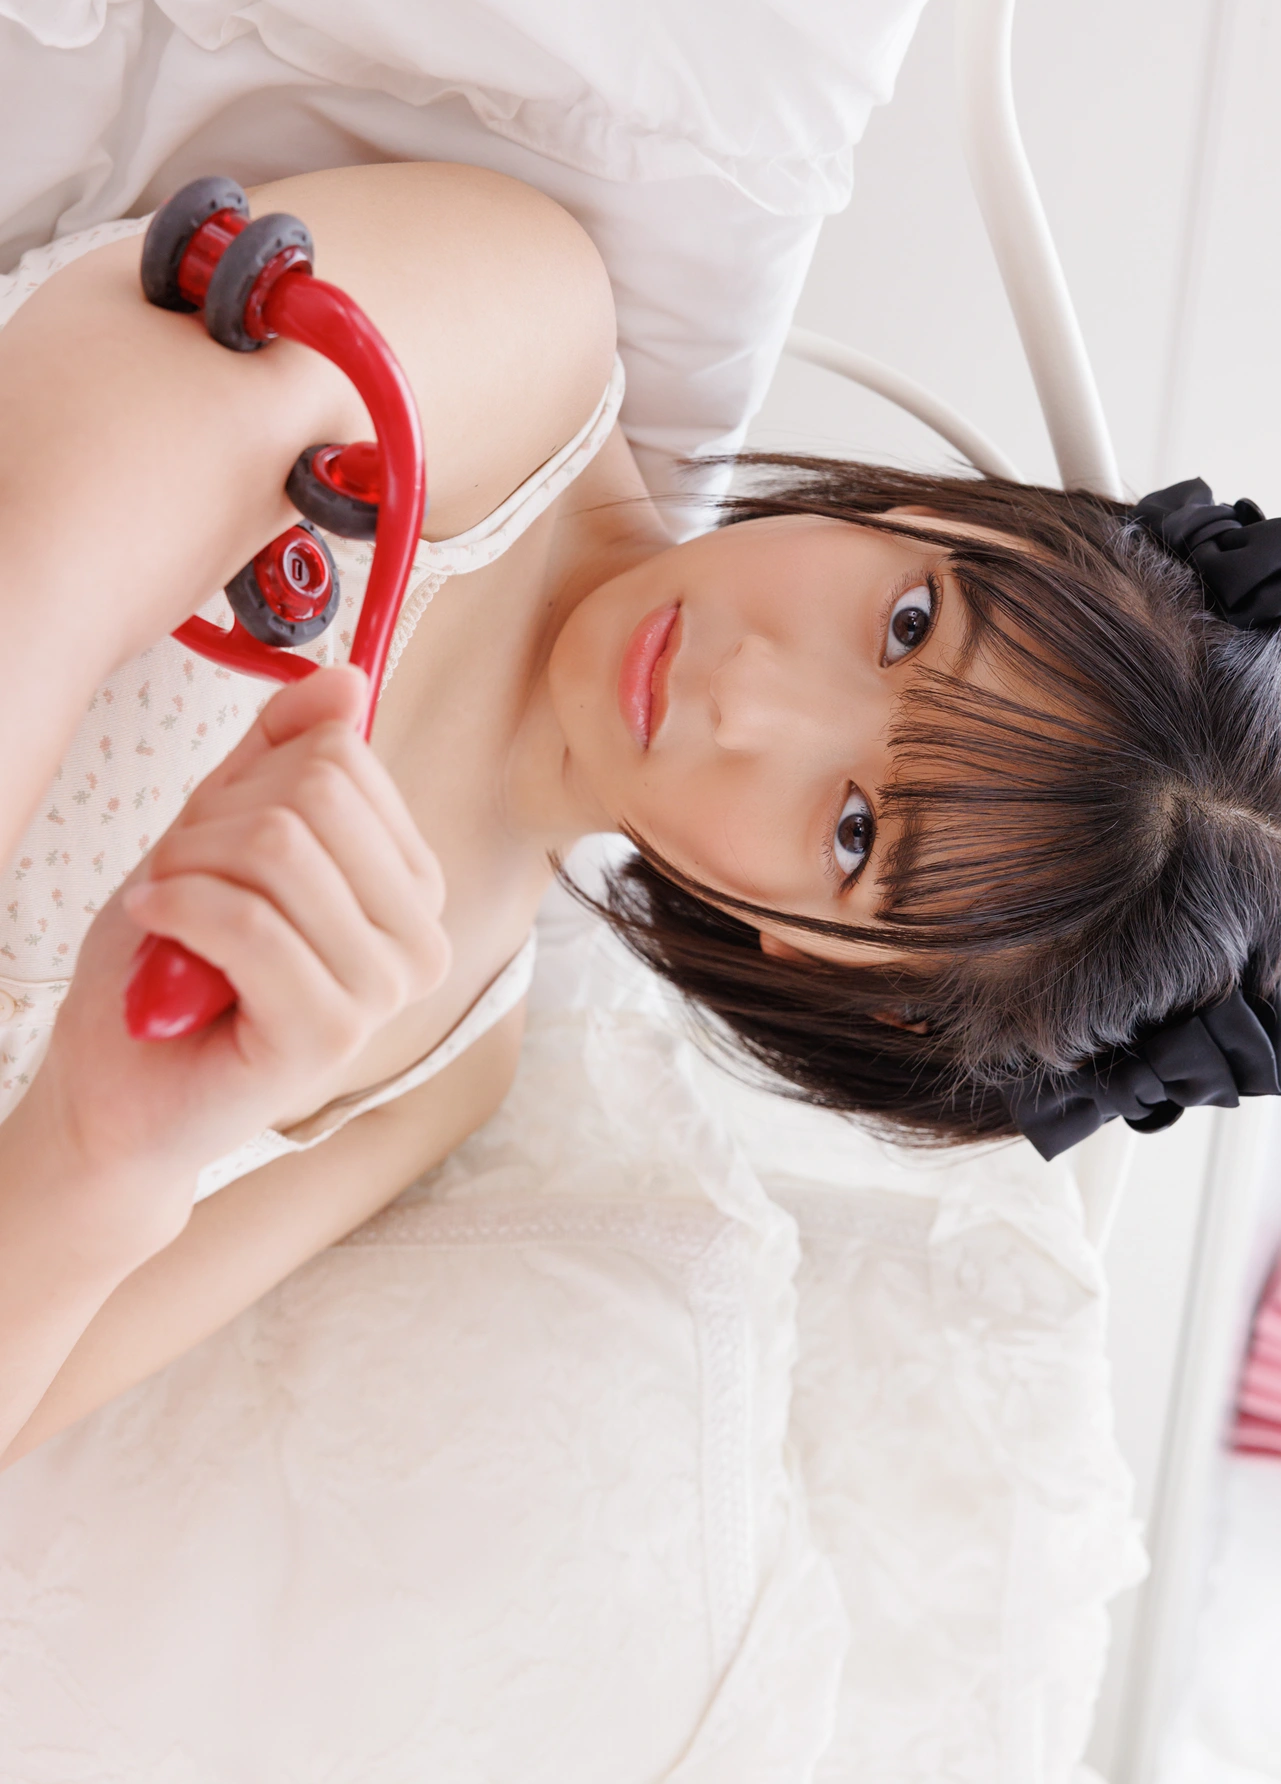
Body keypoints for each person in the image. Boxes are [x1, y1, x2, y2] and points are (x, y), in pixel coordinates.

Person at [1, 158, 1278, 1469]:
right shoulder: (515, 329)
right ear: (934, 519)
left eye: (856, 835)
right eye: (908, 624)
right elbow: (28, 556)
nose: (746, 695)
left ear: (837, 967)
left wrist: (98, 1154)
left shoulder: (424, 1084)